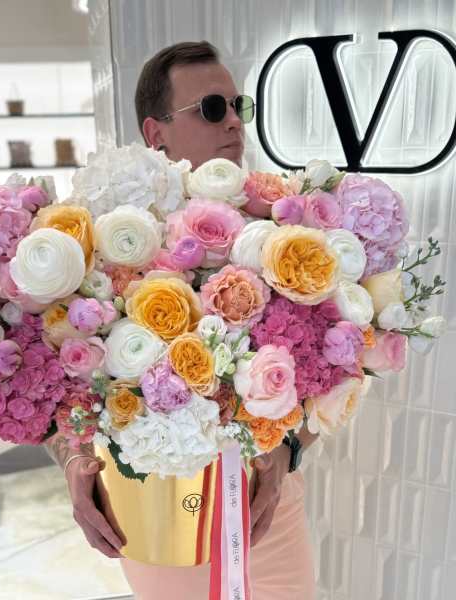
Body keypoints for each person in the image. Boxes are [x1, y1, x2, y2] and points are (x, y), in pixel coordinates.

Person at [46, 41, 318, 600]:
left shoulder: (278, 230)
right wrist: (73, 458)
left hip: (265, 508)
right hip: (160, 512)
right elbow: (54, 381)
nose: (234, 123)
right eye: (212, 109)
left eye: (239, 106)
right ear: (156, 133)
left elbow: (327, 373)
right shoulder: (105, 244)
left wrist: (286, 453)